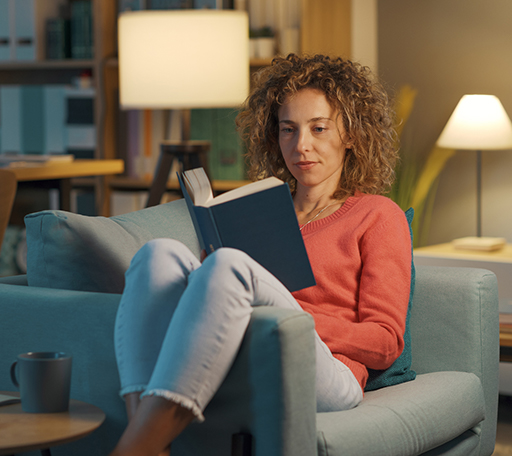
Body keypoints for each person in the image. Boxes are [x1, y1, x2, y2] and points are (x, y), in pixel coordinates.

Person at [109, 54, 412, 456]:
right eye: (288, 130)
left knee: (230, 266)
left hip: (327, 371)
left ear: (351, 135)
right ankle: (145, 432)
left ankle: (133, 448)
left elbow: (386, 342)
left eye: (319, 128)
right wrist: (209, 278)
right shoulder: (263, 212)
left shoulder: (377, 215)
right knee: (157, 254)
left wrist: (291, 321)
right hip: (242, 348)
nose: (301, 145)